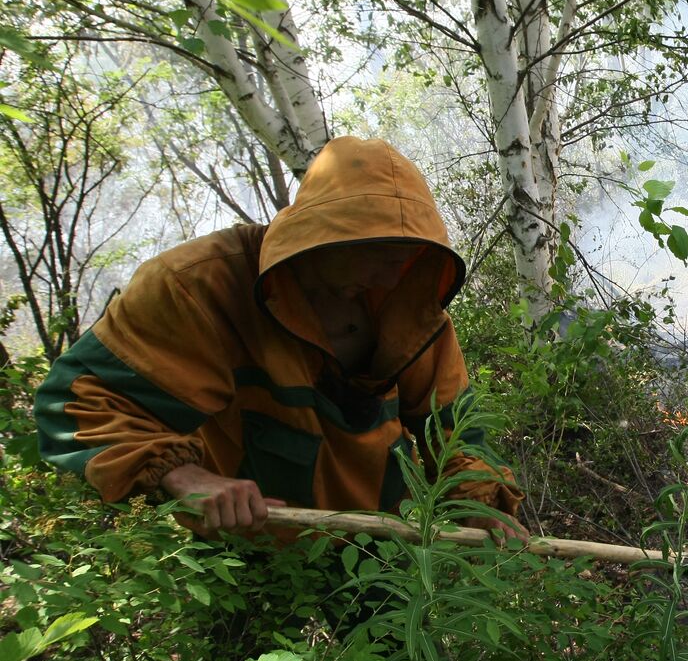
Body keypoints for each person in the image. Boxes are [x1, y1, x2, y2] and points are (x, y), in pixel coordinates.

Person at [33, 136, 524, 542]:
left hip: (378, 546)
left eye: (410, 252)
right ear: (319, 236)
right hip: (246, 551)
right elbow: (81, 401)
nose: (394, 271)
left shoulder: (407, 306)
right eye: (379, 250)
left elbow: (455, 430)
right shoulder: (197, 288)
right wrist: (185, 476)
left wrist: (480, 499)